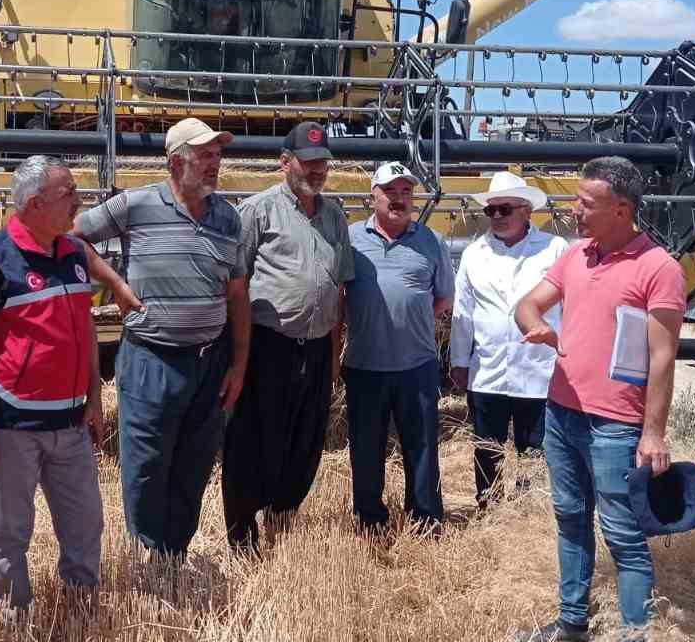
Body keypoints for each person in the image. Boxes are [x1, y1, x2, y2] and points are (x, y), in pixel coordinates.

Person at [514, 156, 687, 642]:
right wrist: (536, 326)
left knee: (624, 537)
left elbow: (662, 358)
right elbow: (528, 304)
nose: (575, 211)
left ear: (622, 209)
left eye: (586, 204)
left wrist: (653, 432)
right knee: (569, 517)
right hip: (562, 411)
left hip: (616, 424)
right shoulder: (574, 256)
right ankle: (572, 621)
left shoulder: (660, 268)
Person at [0, 157, 141, 616]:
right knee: (8, 532)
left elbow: (82, 327)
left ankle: (81, 609)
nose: (79, 202)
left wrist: (95, 399)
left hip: (71, 423)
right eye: (70, 194)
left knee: (85, 524)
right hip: (10, 427)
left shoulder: (71, 252)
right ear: (36, 204)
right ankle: (11, 623)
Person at [74, 118, 250, 560]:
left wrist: (239, 364)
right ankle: (147, 561)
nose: (215, 164)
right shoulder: (133, 205)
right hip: (151, 360)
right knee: (147, 467)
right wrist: (113, 282)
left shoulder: (229, 217)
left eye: (217, 155)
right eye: (204, 156)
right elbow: (71, 235)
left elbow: (238, 296)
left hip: (209, 363)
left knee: (194, 465)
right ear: (176, 162)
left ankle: (175, 556)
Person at [221, 121, 354, 552]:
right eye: (309, 162)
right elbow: (234, 285)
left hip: (315, 348)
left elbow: (337, 290)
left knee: (305, 440)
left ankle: (282, 519)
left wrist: (333, 358)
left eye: (323, 164)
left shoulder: (334, 216)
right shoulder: (257, 211)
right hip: (267, 346)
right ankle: (242, 533)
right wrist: (237, 358)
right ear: (285, 162)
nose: (317, 171)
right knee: (253, 440)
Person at [342, 161, 454, 534]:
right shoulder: (351, 238)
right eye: (390, 191)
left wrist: (411, 320)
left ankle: (425, 519)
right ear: (372, 196)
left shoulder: (430, 241)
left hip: (417, 364)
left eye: (406, 191)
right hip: (364, 365)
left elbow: (442, 299)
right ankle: (370, 520)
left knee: (421, 447)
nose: (399, 199)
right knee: (366, 450)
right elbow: (339, 294)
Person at [450, 173, 569, 512]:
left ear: (527, 210)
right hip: (487, 369)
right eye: (491, 211)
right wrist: (459, 360)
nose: (497, 217)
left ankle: (530, 513)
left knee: (534, 448)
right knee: (487, 447)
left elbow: (572, 305)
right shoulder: (475, 253)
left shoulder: (555, 249)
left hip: (539, 369)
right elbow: (463, 310)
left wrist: (567, 352)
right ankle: (489, 510)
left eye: (505, 209)